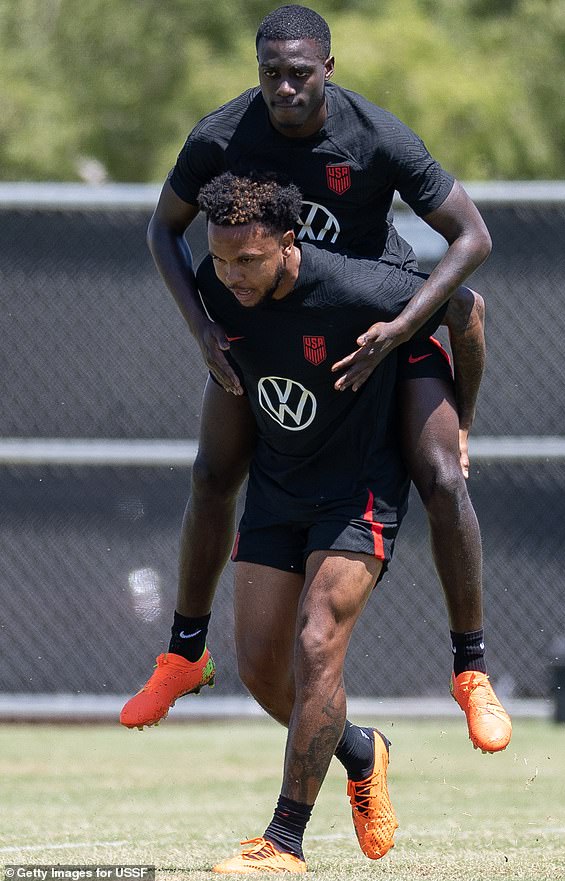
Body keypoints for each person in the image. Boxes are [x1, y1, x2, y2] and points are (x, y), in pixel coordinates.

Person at [121, 4, 511, 755]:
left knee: (439, 473)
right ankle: (183, 650)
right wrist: (201, 329)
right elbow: (161, 227)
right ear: (258, 71)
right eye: (272, 73)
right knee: (212, 470)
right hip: (266, 325)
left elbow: (474, 239)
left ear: (327, 69)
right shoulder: (222, 137)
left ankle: (471, 670)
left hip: (372, 319)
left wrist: (406, 337)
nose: (285, 87)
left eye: (300, 73)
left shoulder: (376, 137)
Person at [193, 172, 451, 873]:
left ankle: (283, 840)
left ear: (288, 239)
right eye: (219, 260)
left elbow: (471, 310)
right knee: (259, 668)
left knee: (316, 648)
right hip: (278, 488)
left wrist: (465, 426)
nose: (231, 275)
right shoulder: (214, 287)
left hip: (357, 489)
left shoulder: (360, 288)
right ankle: (363, 752)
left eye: (248, 259)